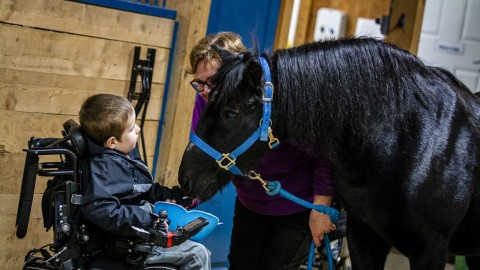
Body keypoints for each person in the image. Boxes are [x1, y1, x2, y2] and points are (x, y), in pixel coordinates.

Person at [188, 32, 337, 270]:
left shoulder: (280, 99)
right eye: (200, 83)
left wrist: (321, 209)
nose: (205, 91)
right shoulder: (207, 100)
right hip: (251, 202)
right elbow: (210, 155)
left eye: (213, 82)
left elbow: (325, 154)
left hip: (297, 204)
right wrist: (187, 197)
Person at [79, 93, 211, 270]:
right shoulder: (106, 167)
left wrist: (176, 197)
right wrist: (148, 218)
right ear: (112, 142)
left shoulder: (121, 155)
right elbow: (101, 209)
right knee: (198, 254)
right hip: (124, 247)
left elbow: (142, 189)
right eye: (131, 128)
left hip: (136, 236)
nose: (138, 129)